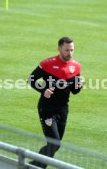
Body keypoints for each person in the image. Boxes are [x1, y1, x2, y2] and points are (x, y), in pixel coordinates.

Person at [28, 37, 83, 168]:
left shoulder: (75, 66)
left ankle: (33, 164)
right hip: (47, 109)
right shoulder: (47, 64)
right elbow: (31, 79)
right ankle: (36, 167)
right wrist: (43, 90)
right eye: (67, 50)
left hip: (63, 110)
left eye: (72, 50)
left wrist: (79, 86)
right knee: (54, 143)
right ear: (59, 49)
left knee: (55, 145)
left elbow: (74, 91)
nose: (70, 53)